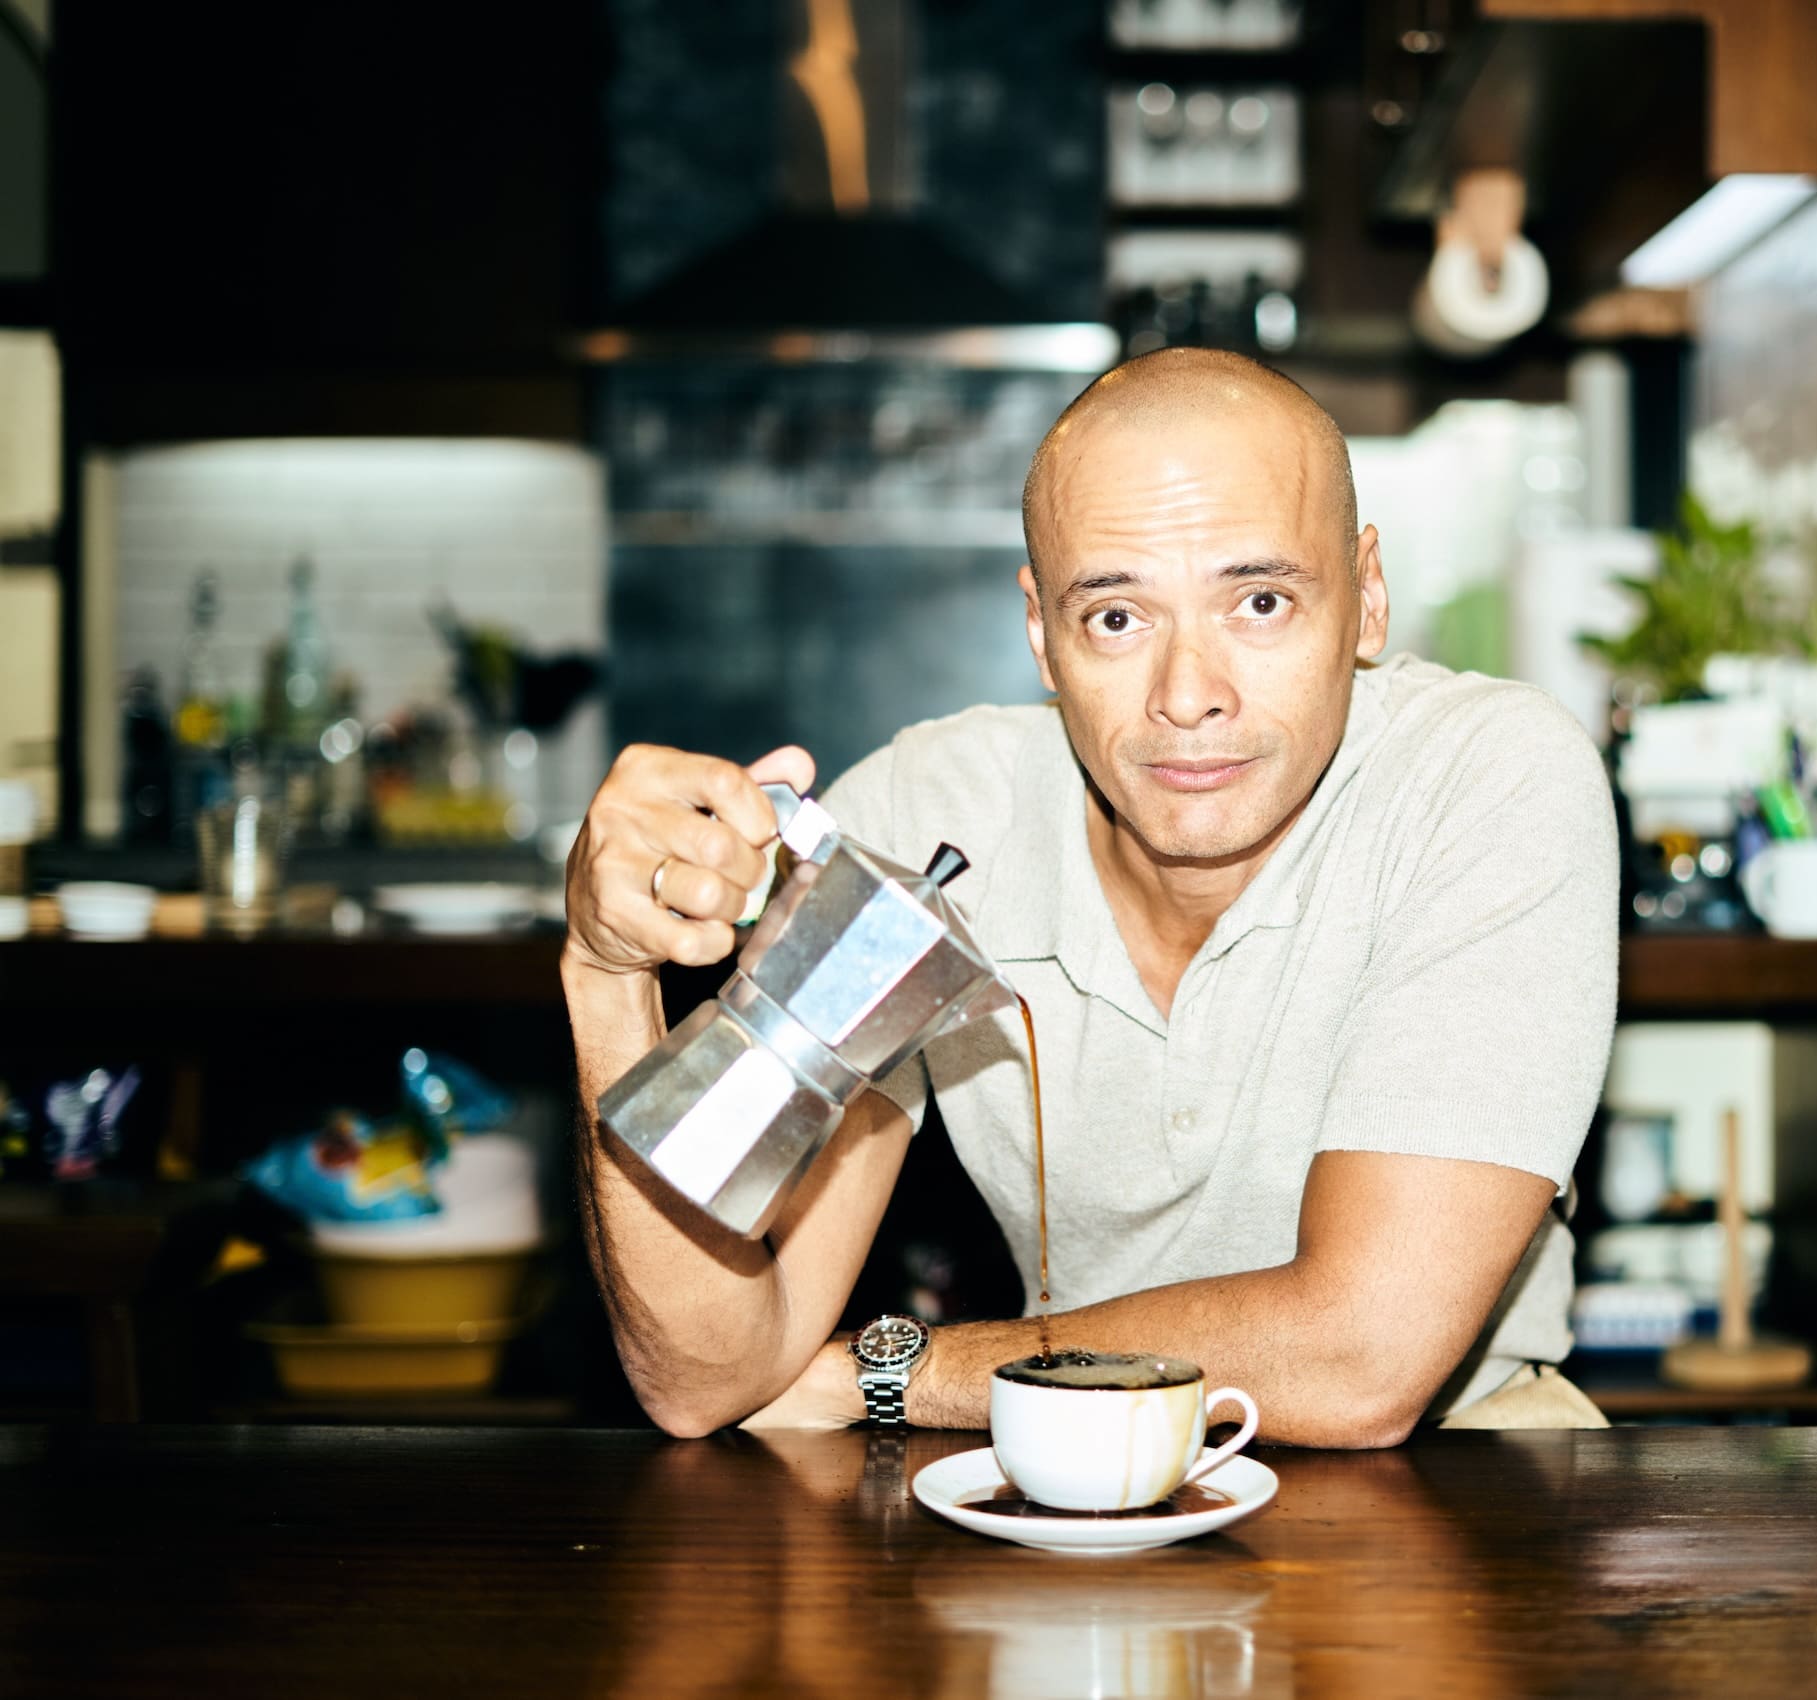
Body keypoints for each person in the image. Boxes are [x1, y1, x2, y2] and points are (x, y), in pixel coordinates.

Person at [564, 348, 1617, 1445]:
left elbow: (1359, 1359)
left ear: (1366, 599)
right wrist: (604, 974)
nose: (1187, 697)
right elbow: (702, 1371)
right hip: (1060, 1478)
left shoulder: (1488, 779)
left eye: (1259, 601)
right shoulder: (933, 820)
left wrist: (894, 1374)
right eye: (1117, 617)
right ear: (1041, 633)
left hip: (1468, 1472)